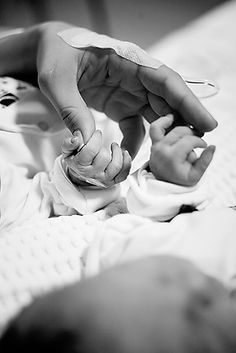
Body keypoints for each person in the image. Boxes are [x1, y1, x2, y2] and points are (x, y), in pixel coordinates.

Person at [0, 21, 217, 164]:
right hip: (92, 142)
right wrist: (76, 179)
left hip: (99, 107)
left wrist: (40, 39)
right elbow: (47, 196)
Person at [1, 256, 236, 353]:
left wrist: (165, 185)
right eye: (200, 306)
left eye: (164, 278)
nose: (200, 281)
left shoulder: (116, 248)